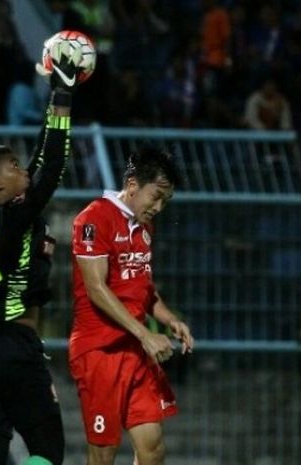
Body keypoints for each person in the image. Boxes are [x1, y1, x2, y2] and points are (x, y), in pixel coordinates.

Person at [0, 38, 82, 465]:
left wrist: (53, 97)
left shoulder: (5, 212)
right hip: (14, 344)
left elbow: (40, 161)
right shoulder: (14, 215)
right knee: (47, 451)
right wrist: (64, 94)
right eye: (12, 167)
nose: (21, 168)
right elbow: (51, 168)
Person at [69, 147, 195, 465]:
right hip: (99, 351)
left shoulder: (143, 228)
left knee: (152, 447)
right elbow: (96, 288)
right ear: (134, 184)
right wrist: (145, 334)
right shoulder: (93, 218)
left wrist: (169, 319)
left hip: (134, 350)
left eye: (166, 201)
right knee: (103, 453)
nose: (158, 207)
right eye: (156, 196)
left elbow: (143, 287)